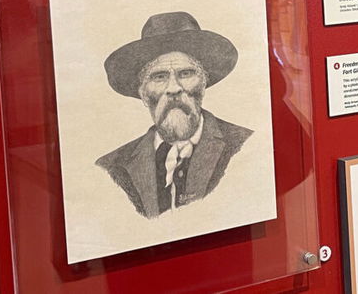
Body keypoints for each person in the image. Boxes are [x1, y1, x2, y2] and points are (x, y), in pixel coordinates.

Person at [95, 12, 252, 220]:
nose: (174, 88)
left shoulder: (245, 146)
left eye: (185, 74)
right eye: (159, 77)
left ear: (203, 84)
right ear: (143, 94)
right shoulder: (111, 168)